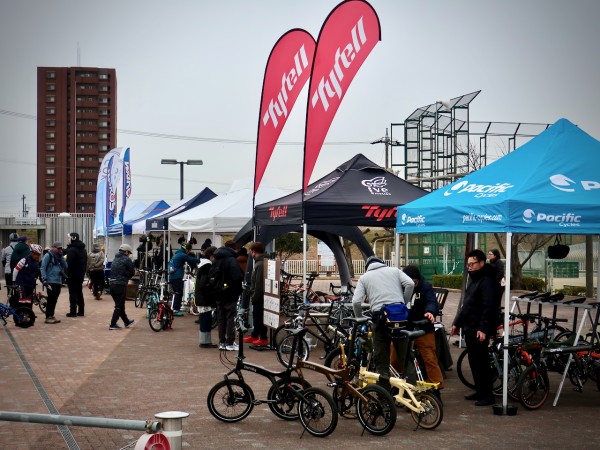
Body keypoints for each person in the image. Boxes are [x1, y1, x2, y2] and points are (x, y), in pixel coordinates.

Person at [352, 255, 414, 388]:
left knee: (382, 361)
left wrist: (360, 318)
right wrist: (403, 302)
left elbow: (356, 302)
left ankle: (384, 395)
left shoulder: (365, 278)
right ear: (382, 263)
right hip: (400, 318)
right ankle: (413, 393)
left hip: (380, 320)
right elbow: (410, 284)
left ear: (367, 267)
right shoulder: (395, 271)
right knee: (406, 358)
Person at [451, 249, 502, 406]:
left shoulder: (487, 281)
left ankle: (487, 394)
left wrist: (483, 328)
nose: (470, 267)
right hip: (470, 326)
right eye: (468, 265)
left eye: (472, 264)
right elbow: (467, 304)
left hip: (479, 328)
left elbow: (489, 306)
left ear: (481, 263)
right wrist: (457, 323)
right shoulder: (474, 279)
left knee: (482, 362)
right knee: (474, 361)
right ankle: (480, 390)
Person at [402, 265, 444, 394]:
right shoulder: (399, 286)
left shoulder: (425, 286)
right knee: (395, 358)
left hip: (423, 326)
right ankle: (399, 387)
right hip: (404, 327)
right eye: (409, 283)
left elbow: (432, 302)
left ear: (418, 279)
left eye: (414, 282)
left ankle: (436, 388)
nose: (412, 285)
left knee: (430, 358)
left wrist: (430, 311)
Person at [214, 240, 243, 351]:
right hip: (230, 293)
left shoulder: (217, 259)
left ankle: (222, 341)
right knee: (231, 317)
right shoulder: (232, 260)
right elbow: (237, 277)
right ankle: (230, 342)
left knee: (221, 318)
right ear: (234, 249)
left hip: (218, 292)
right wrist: (238, 290)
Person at [243, 242, 268, 346]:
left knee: (259, 317)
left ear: (253, 251)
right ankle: (255, 335)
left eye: (250, 251)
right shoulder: (261, 262)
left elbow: (259, 284)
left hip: (259, 296)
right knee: (256, 316)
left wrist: (254, 297)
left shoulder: (260, 264)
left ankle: (263, 337)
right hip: (259, 295)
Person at [108, 244, 136, 330]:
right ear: (126, 252)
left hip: (112, 284)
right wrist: (127, 276)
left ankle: (126, 321)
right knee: (119, 306)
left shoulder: (115, 258)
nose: (129, 255)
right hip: (120, 284)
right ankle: (113, 324)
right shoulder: (126, 259)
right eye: (129, 253)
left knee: (120, 304)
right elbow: (132, 272)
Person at [195, 246, 218, 348]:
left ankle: (205, 340)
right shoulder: (207, 266)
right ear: (211, 256)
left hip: (201, 296)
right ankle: (205, 341)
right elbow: (204, 283)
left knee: (204, 318)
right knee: (206, 319)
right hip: (205, 297)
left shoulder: (201, 264)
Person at [168, 242, 200, 316]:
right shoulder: (182, 255)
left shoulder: (177, 254)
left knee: (177, 293)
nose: (189, 252)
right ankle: (176, 309)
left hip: (173, 276)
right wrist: (201, 260)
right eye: (189, 250)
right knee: (179, 293)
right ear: (187, 250)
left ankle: (175, 309)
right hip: (177, 276)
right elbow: (192, 260)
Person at [40, 242, 68, 324]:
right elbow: (43, 267)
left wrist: (61, 257)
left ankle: (51, 315)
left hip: (58, 280)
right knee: (51, 299)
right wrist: (44, 279)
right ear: (53, 247)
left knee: (55, 299)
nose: (59, 250)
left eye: (60, 248)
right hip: (50, 281)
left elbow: (66, 266)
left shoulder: (60, 256)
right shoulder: (48, 255)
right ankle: (48, 316)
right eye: (58, 248)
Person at [12, 243, 43, 314]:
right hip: (22, 284)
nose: (38, 256)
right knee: (22, 302)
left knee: (29, 302)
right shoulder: (24, 260)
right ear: (32, 253)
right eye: (37, 254)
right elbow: (16, 269)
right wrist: (13, 281)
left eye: (39, 255)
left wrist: (42, 280)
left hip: (30, 285)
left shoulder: (36, 262)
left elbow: (37, 272)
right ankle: (19, 317)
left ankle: (28, 315)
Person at [64, 232, 87, 317]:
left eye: (69, 238)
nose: (68, 240)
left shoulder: (72, 250)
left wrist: (66, 274)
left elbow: (68, 264)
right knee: (79, 292)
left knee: (72, 293)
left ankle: (73, 311)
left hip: (72, 275)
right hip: (80, 274)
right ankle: (81, 311)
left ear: (72, 238)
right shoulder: (83, 250)